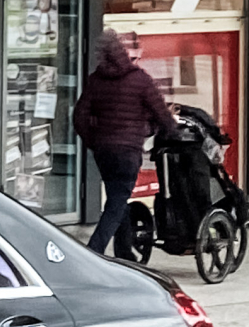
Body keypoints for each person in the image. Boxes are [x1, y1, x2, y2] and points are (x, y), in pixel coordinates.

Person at [75, 28, 177, 258]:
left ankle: (124, 252)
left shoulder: (95, 81)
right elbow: (161, 113)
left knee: (116, 198)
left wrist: (93, 141)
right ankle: (94, 251)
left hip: (103, 152)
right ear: (123, 53)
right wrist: (172, 131)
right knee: (117, 203)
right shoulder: (140, 80)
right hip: (128, 151)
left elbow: (79, 116)